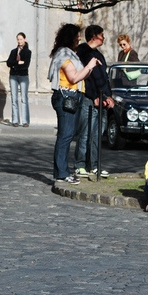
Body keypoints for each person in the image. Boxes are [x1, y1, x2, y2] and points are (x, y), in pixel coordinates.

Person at [48, 24, 99, 187]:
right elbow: (73, 77)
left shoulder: (68, 53)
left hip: (72, 96)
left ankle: (61, 172)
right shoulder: (64, 53)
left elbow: (80, 75)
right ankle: (62, 173)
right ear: (70, 36)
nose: (79, 38)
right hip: (66, 97)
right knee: (65, 135)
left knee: (67, 135)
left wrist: (89, 69)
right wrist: (89, 66)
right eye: (77, 35)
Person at [75, 25, 114, 180]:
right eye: (101, 35)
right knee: (85, 133)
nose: (103, 38)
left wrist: (108, 97)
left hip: (102, 98)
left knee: (97, 135)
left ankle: (95, 165)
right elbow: (88, 77)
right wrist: (94, 96)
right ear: (94, 36)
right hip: (89, 99)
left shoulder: (99, 55)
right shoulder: (83, 52)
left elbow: (103, 78)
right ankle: (80, 165)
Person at [5, 33, 31, 127]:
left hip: (23, 76)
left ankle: (25, 121)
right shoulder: (13, 51)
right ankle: (15, 120)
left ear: (24, 39)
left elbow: (25, 65)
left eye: (21, 39)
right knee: (14, 98)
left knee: (24, 98)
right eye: (18, 39)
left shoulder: (27, 52)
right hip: (13, 76)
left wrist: (14, 65)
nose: (19, 41)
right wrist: (17, 63)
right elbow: (8, 63)